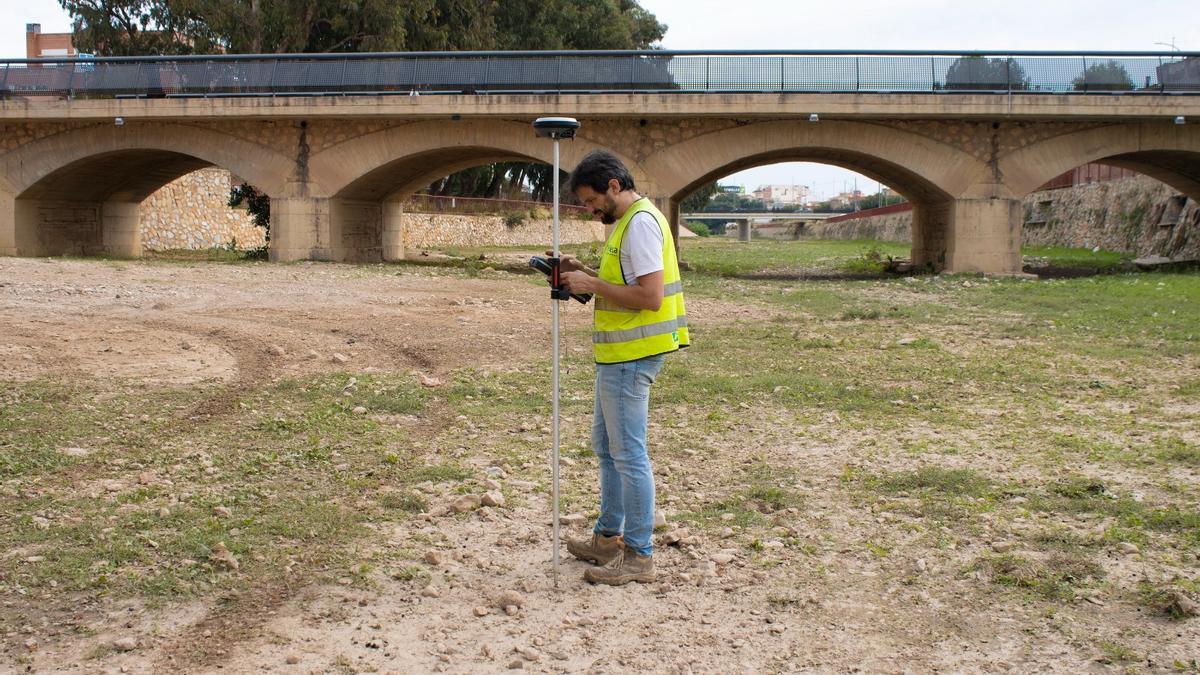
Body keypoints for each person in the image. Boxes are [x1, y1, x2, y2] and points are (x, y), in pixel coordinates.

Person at [557, 150, 689, 586]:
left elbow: (650, 297)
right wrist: (585, 272)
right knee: (606, 447)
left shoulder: (641, 224)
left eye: (592, 200)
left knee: (629, 455)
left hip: (633, 358)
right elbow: (629, 283)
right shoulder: (626, 225)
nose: (590, 209)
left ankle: (639, 556)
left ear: (614, 185)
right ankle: (608, 538)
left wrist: (592, 285)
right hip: (617, 357)